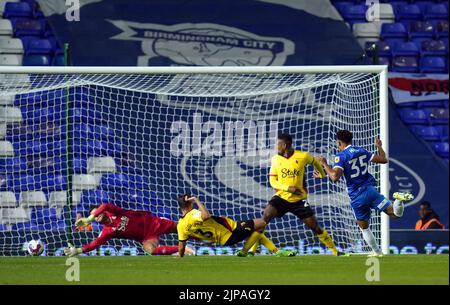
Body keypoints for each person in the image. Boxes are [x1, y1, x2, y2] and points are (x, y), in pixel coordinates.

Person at [316, 130, 414, 257]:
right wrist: (379, 146)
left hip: (357, 197)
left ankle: (377, 252)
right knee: (395, 214)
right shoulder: (361, 150)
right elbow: (383, 159)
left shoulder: (341, 156)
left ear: (338, 142)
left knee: (364, 228)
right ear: (351, 140)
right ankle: (399, 200)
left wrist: (324, 163)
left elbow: (335, 177)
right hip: (370, 191)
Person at [261, 133, 343, 256]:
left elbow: (315, 162)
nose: (275, 147)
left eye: (277, 144)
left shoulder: (303, 156)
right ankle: (251, 250)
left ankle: (335, 252)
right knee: (265, 217)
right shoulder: (275, 159)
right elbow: (272, 181)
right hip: (281, 198)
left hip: (299, 200)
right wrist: (288, 188)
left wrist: (322, 174)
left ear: (284, 145)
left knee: (315, 227)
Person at [176, 194, 296, 257]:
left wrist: (180, 257)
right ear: (189, 202)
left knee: (258, 227)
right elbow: (206, 216)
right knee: (262, 223)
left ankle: (250, 252)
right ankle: (267, 251)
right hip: (231, 231)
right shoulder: (194, 214)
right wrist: (197, 200)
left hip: (224, 239)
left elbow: (181, 245)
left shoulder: (181, 225)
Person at [64, 203, 194, 256]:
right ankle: (183, 249)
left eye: (97, 214)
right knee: (150, 250)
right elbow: (95, 243)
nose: (97, 217)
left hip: (153, 222)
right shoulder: (108, 232)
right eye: (95, 216)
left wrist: (89, 219)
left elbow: (104, 205)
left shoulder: (115, 211)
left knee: (185, 228)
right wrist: (79, 250)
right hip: (146, 237)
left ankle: (207, 234)